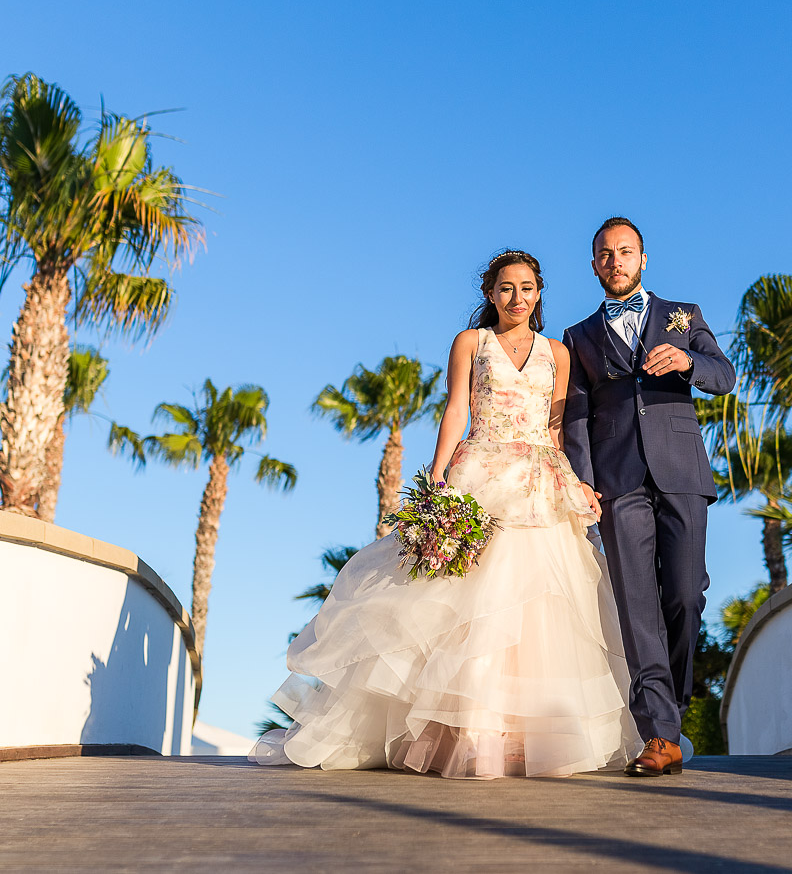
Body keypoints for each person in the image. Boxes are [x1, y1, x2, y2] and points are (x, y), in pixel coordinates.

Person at [250, 249, 642, 779]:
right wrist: (437, 477)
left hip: (537, 485)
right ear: (490, 294)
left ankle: (524, 736)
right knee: (462, 609)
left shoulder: (558, 352)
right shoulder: (471, 343)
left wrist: (574, 482)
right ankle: (469, 733)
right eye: (506, 288)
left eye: (527, 288)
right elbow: (456, 408)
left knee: (538, 613)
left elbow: (553, 429)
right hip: (479, 476)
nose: (517, 298)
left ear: (539, 293)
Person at [562, 217, 736, 776]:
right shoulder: (579, 336)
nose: (616, 261)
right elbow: (576, 415)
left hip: (682, 470)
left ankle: (674, 706)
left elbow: (725, 374)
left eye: (625, 252)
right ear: (594, 265)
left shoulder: (683, 316)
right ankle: (660, 732)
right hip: (617, 482)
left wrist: (688, 363)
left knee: (685, 597)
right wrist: (584, 479)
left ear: (642, 260)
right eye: (605, 254)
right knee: (637, 604)